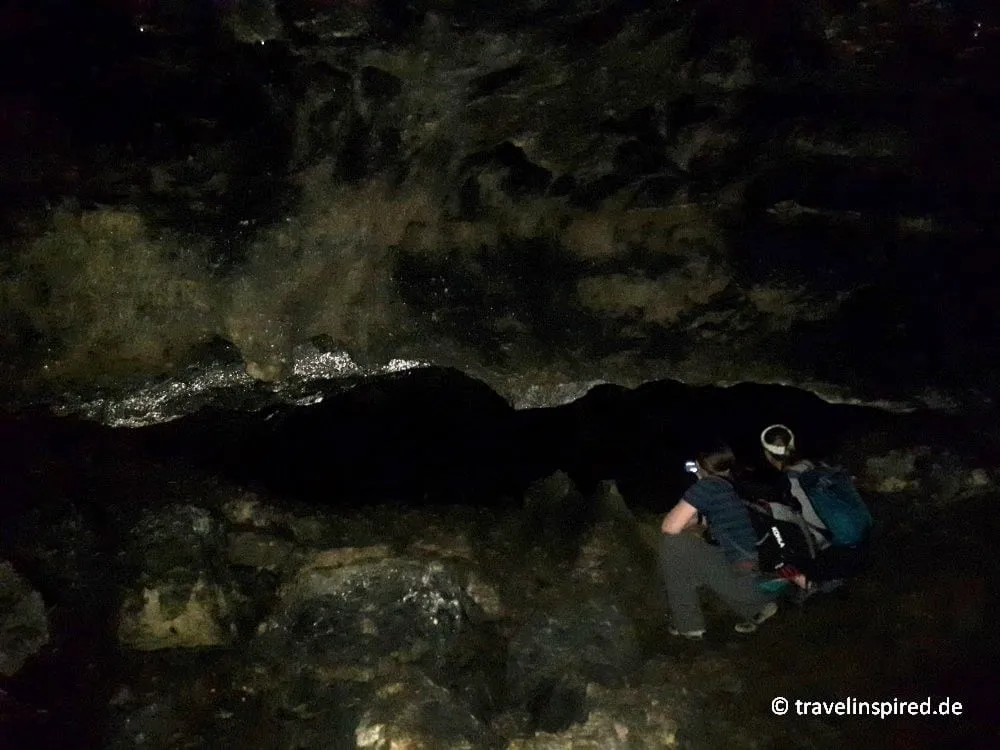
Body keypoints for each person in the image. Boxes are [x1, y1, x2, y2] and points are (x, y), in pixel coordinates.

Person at [659, 442, 779, 639]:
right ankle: (758, 607)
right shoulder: (733, 485)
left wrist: (697, 484)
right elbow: (703, 522)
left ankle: (688, 624)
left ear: (700, 465)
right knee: (697, 552)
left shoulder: (708, 485)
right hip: (764, 574)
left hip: (747, 582)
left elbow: (669, 527)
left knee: (673, 544)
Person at [758, 424, 870, 594]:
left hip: (832, 553)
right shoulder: (819, 466)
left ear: (768, 454)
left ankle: (814, 584)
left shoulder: (785, 485)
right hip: (860, 539)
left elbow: (805, 533)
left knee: (778, 538)